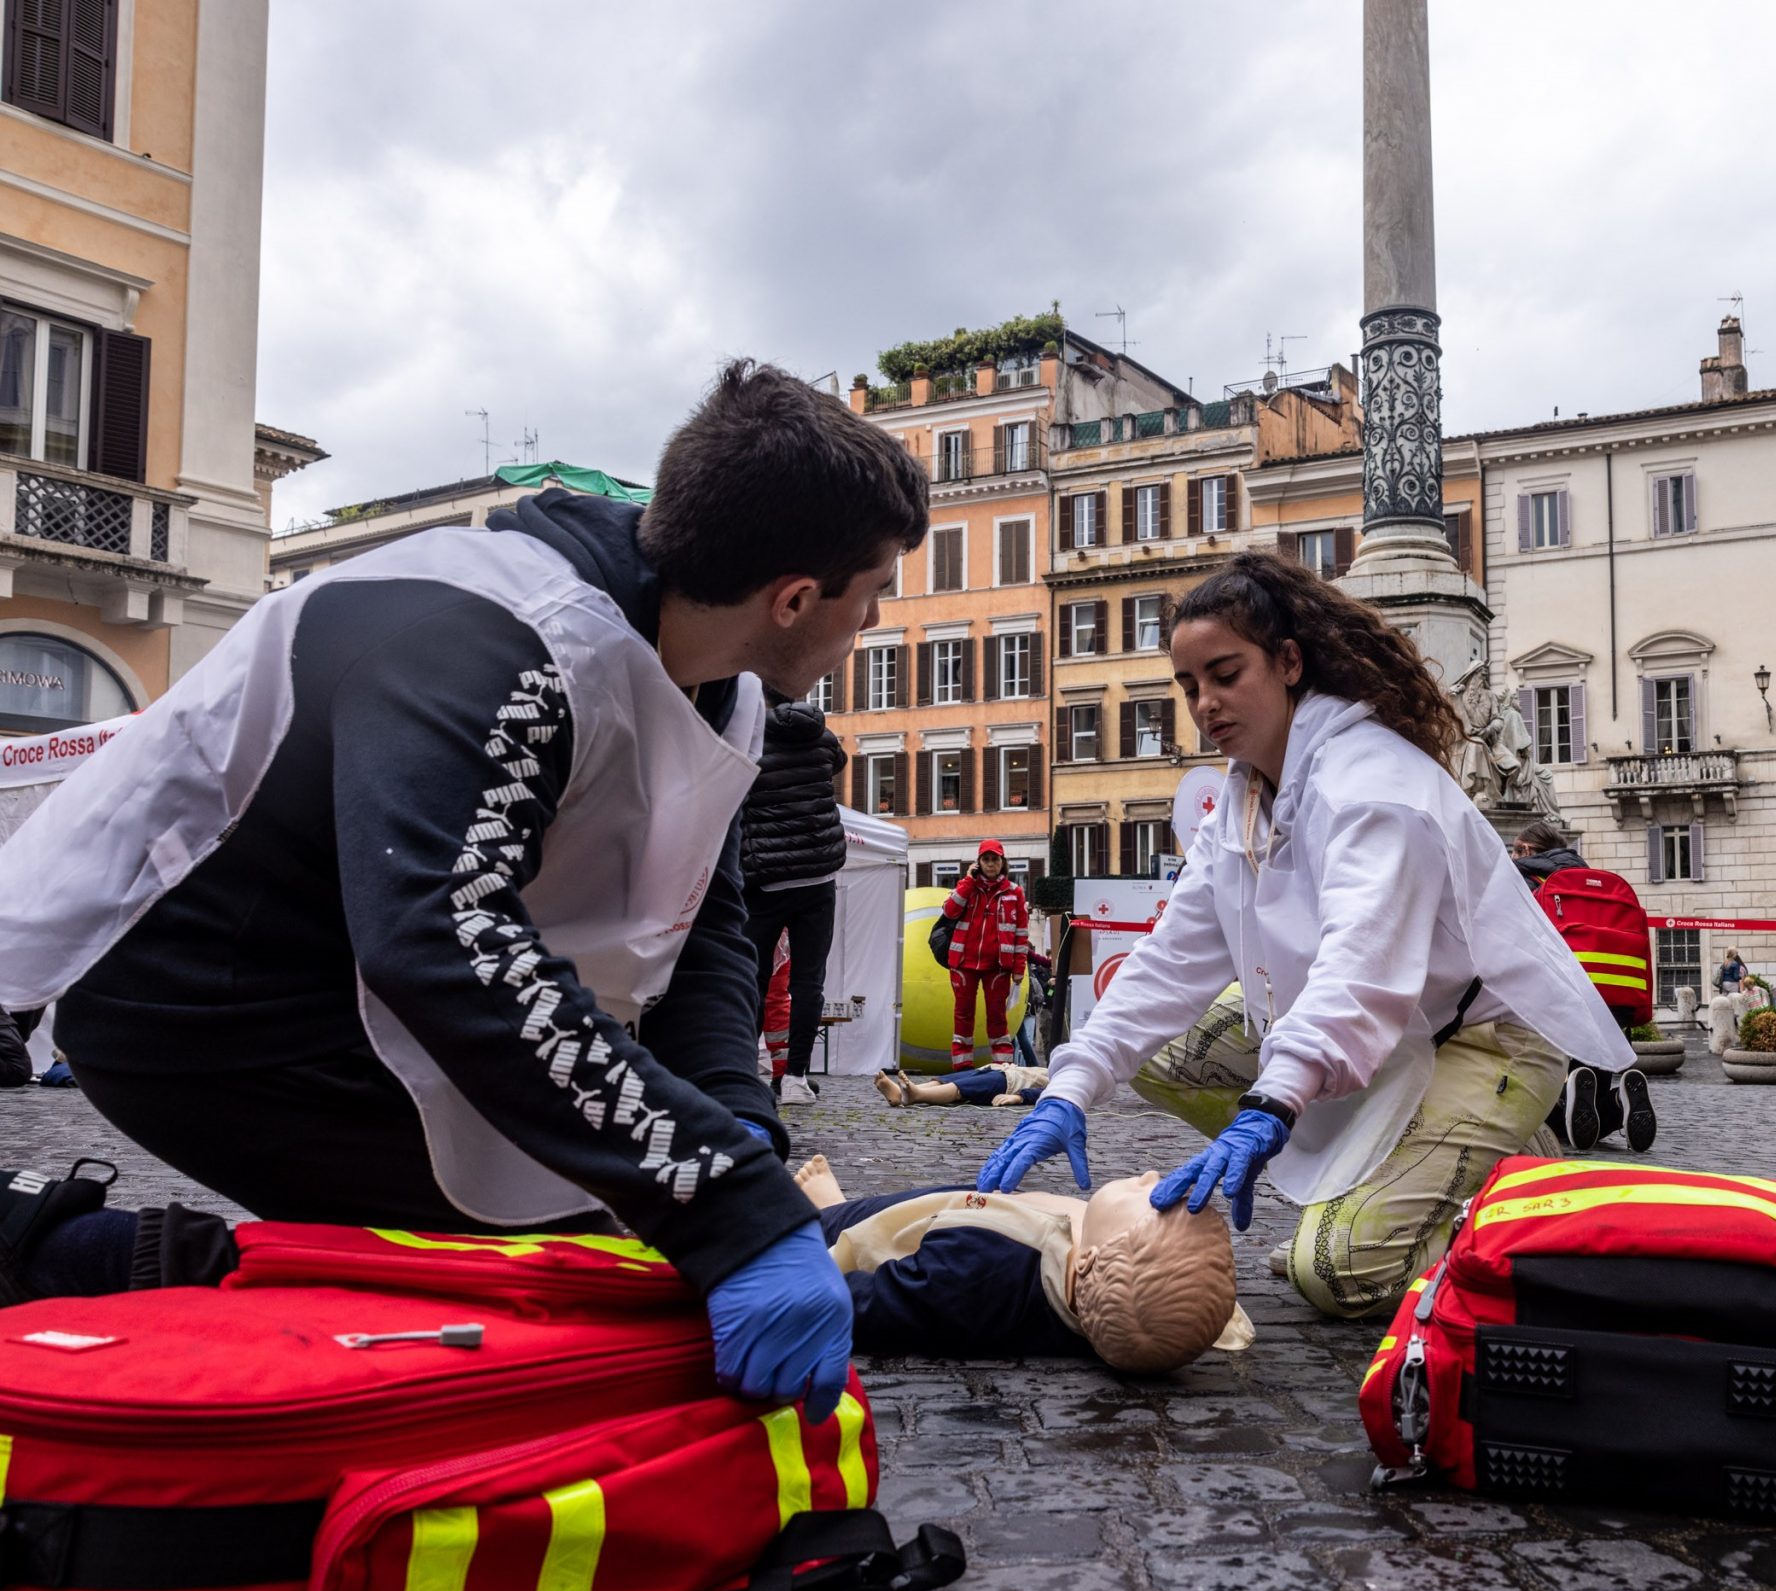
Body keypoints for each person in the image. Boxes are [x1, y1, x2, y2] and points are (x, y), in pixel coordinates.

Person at [0, 361, 930, 1419]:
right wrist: (721, 1203)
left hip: (368, 975)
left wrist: (734, 1136)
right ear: (795, 597)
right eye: (873, 597)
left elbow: (703, 925)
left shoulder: (728, 691)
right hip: (204, 996)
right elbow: (443, 938)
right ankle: (68, 1250)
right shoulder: (489, 632)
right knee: (543, 1292)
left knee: (623, 1247)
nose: (870, 629)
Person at [974, 553, 1631, 1319]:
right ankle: (1386, 1170)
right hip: (1379, 1030)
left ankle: (1509, 1171)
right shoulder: (1245, 793)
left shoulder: (1373, 787)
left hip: (1483, 1040)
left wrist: (1271, 1105)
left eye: (1225, 674)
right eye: (1190, 687)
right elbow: (1167, 963)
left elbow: (1359, 966)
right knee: (1158, 1050)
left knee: (1334, 1274)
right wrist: (1072, 1087)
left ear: (1289, 662)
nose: (1205, 704)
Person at [791, 1155, 1248, 1374]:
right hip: (999, 1213)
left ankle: (832, 1210)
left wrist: (783, 1288)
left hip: (926, 1224)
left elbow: (874, 1303)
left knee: (877, 1222)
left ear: (1088, 1262)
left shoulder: (978, 1274)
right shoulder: (1120, 1296)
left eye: (1145, 1198)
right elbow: (1195, 1304)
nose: (1151, 1178)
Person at [1507, 821, 1652, 1152]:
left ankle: (1581, 1100)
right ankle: (1619, 1101)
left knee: (1551, 1094)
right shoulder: (1598, 881)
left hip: (1559, 993)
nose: (1513, 856)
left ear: (1527, 851)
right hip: (1614, 996)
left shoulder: (1527, 880)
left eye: (1515, 850)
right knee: (1591, 1084)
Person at [743, 692, 849, 1106]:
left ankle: (744, 1073)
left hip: (766, 879)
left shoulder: (750, 740)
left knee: (753, 981)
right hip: (818, 877)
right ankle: (795, 1080)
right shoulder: (823, 738)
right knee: (809, 984)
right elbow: (838, 765)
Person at [942, 839, 1030, 1067]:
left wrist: (1019, 968)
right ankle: (962, 1067)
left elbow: (1021, 933)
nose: (991, 864)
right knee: (962, 1016)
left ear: (1003, 863)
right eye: (986, 859)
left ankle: (1002, 1069)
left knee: (998, 1018)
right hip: (963, 963)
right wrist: (968, 881)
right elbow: (950, 911)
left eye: (995, 859)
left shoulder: (1015, 893)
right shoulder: (967, 886)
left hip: (998, 966)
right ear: (978, 863)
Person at [876, 1064, 1049, 1107]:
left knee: (961, 1088)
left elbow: (1049, 1092)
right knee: (950, 1079)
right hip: (1003, 1070)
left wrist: (1019, 1097)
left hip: (1010, 1083)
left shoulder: (1072, 1079)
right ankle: (900, 1093)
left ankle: (917, 1095)